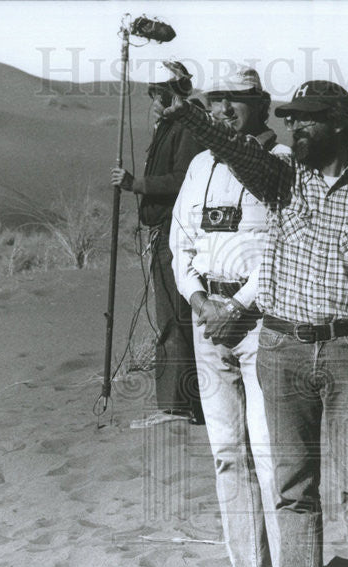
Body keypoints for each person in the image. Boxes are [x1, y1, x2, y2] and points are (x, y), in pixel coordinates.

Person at [164, 80, 348, 567]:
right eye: (291, 118)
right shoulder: (281, 180)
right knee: (293, 482)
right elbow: (233, 147)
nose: (296, 127)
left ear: (341, 125)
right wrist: (188, 113)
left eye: (308, 119)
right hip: (280, 348)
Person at [169, 65, 290, 567]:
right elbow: (181, 243)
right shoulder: (199, 165)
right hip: (206, 317)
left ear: (261, 104)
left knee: (269, 450)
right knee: (226, 449)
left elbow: (282, 249)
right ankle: (246, 565)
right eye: (217, 101)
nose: (225, 110)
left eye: (237, 100)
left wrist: (238, 304)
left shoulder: (281, 165)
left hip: (259, 321)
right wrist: (198, 298)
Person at [111, 61, 205, 428]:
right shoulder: (171, 126)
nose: (153, 99)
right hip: (165, 230)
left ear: (176, 92)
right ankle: (185, 402)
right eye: (152, 92)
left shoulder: (186, 125)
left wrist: (136, 184)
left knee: (174, 318)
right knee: (174, 316)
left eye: (160, 92)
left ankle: (178, 405)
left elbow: (184, 179)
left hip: (177, 231)